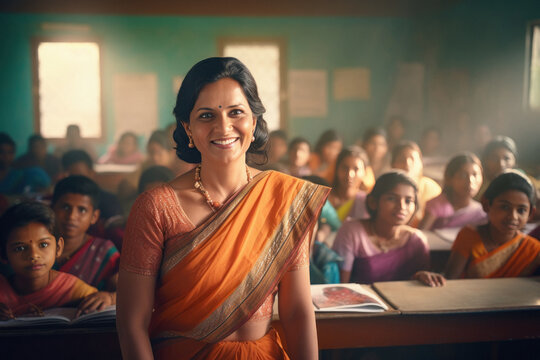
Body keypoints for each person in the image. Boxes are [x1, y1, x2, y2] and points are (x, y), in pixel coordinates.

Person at [117, 57, 328, 359]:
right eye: (206, 116)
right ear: (187, 128)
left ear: (253, 123)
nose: (223, 127)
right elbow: (131, 323)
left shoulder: (283, 198)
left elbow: (296, 311)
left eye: (236, 113)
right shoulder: (156, 208)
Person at [418, 170, 540, 285]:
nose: (513, 216)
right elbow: (449, 282)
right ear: (486, 204)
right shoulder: (469, 236)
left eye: (521, 210)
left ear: (530, 213)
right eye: (504, 207)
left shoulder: (533, 249)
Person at [0, 201, 109, 320]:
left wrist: (109, 297)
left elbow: (106, 302)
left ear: (58, 247)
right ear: (3, 254)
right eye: (20, 248)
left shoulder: (69, 288)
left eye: (43, 245)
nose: (34, 255)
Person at [332, 171, 440, 285]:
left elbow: (421, 284)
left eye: (408, 201)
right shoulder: (353, 232)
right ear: (373, 202)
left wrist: (422, 276)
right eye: (392, 199)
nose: (402, 207)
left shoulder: (416, 240)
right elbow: (341, 285)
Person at [52, 176, 120, 294]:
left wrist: (111, 298)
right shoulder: (36, 246)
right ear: (52, 209)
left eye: (82, 210)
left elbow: (126, 291)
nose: (71, 216)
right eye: (65, 207)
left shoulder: (103, 251)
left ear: (94, 217)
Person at [419, 153, 486, 230]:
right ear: (449, 179)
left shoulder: (480, 213)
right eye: (463, 175)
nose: (470, 181)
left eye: (475, 175)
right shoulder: (437, 205)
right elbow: (420, 235)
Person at [61, 150, 123, 225]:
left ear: (92, 173)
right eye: (70, 178)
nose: (72, 217)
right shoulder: (58, 199)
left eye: (82, 210)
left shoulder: (109, 201)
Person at [391, 140, 441, 226]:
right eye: (402, 159)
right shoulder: (386, 187)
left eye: (413, 159)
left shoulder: (431, 188)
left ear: (421, 164)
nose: (407, 163)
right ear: (393, 164)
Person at [328, 146, 369, 222]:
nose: (350, 174)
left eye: (356, 169)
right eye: (345, 168)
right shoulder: (325, 199)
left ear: (365, 172)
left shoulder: (366, 203)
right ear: (337, 169)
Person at [477, 136, 518, 200]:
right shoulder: (476, 189)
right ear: (485, 161)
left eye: (506, 159)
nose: (501, 164)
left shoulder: (525, 185)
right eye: (494, 158)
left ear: (514, 161)